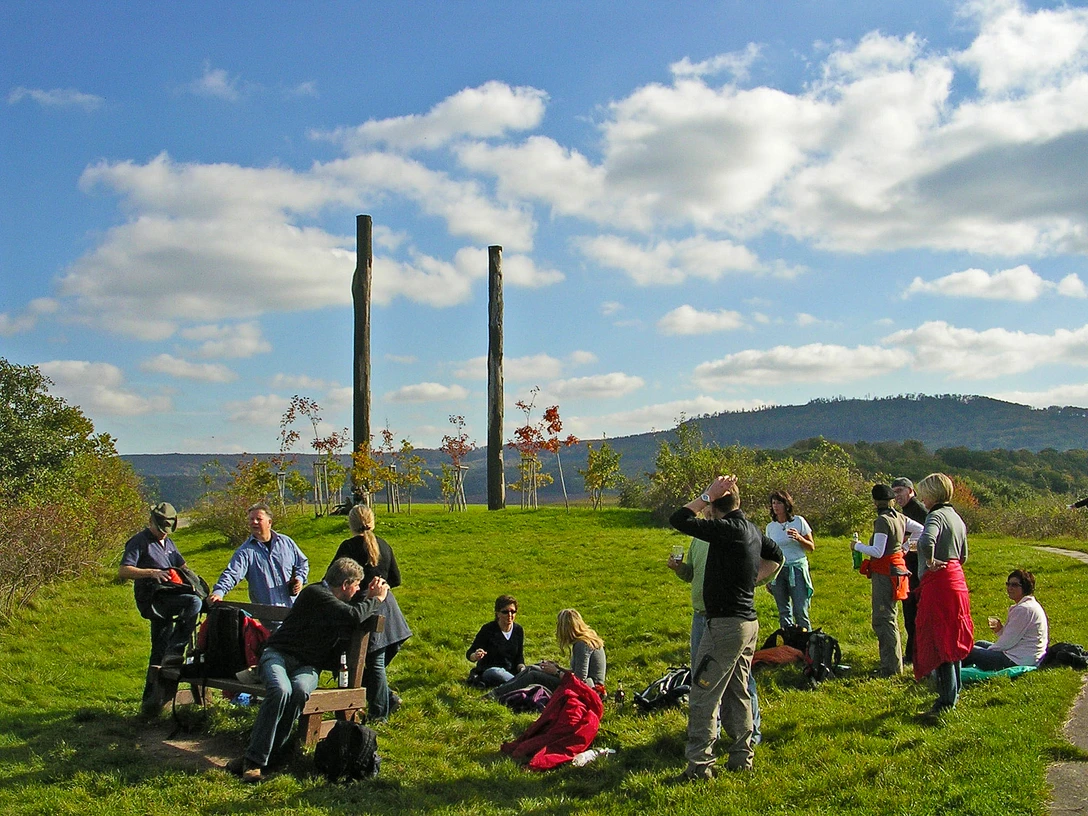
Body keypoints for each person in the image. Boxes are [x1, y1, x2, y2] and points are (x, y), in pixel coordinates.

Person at [226, 557, 388, 782]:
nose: (358, 590)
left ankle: (271, 756)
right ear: (344, 585)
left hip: (307, 666)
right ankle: (254, 761)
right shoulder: (315, 594)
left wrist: (368, 597)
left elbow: (352, 613)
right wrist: (377, 599)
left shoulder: (335, 603)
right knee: (281, 690)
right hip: (278, 655)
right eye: (356, 585)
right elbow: (352, 616)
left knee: (300, 690)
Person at [669, 475, 785, 780]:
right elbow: (776, 555)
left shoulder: (726, 530)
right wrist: (752, 580)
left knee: (704, 693)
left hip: (724, 626)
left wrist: (705, 495)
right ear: (739, 502)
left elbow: (679, 518)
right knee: (737, 691)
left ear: (714, 506)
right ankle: (742, 757)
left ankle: (699, 765)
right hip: (748, 622)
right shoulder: (751, 529)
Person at [668, 536, 773, 744]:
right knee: (702, 677)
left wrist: (750, 583)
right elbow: (692, 574)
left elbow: (775, 559)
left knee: (739, 677)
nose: (706, 508)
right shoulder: (699, 538)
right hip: (700, 616)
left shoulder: (735, 534)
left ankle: (751, 733)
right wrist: (679, 568)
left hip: (728, 618)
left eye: (710, 503)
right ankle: (710, 733)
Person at [118, 502, 203, 717]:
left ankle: (150, 704)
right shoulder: (139, 542)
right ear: (151, 523)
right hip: (153, 598)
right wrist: (151, 573)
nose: (163, 534)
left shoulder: (169, 543)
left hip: (171, 594)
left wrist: (196, 583)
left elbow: (182, 566)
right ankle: (176, 650)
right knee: (193, 604)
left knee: (159, 647)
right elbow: (124, 570)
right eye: (160, 529)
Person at [331, 504, 412, 721]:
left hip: (364, 607)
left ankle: (379, 714)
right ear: (372, 522)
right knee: (374, 663)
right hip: (388, 607)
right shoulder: (383, 545)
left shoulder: (348, 547)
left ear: (351, 524)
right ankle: (387, 700)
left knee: (369, 663)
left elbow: (333, 577)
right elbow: (396, 579)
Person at [913, 473, 973, 719]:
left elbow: (927, 541)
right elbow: (964, 555)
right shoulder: (957, 518)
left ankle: (946, 701)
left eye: (924, 493)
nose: (922, 498)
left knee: (940, 639)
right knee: (953, 637)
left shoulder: (935, 516)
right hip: (957, 580)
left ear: (932, 494)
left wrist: (929, 559)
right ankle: (954, 693)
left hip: (939, 583)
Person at [853, 484, 922, 677]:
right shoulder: (900, 517)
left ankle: (890, 668)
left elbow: (878, 551)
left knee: (884, 619)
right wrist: (905, 547)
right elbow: (921, 530)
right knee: (890, 617)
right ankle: (894, 662)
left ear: (875, 502)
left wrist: (857, 546)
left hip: (885, 573)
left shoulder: (883, 521)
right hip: (897, 570)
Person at [209, 503, 308, 609]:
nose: (254, 522)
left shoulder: (286, 543)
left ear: (269, 522)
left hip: (295, 610)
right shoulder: (245, 552)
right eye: (251, 519)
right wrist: (219, 592)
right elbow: (232, 574)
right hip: (268, 614)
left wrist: (299, 579)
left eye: (258, 519)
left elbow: (302, 563)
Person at [490, 609, 606, 698]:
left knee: (533, 675)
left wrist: (556, 672)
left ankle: (495, 695)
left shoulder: (582, 644)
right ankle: (499, 691)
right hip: (583, 685)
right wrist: (557, 667)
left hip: (589, 690)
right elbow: (578, 673)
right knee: (532, 668)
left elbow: (579, 680)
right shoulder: (584, 641)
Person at [965, 569, 1049, 670]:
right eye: (1008, 584)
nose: (1009, 588)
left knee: (969, 651)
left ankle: (955, 675)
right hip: (1026, 654)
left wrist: (989, 652)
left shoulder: (1024, 609)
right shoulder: (1029, 605)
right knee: (979, 644)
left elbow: (1007, 642)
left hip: (1019, 660)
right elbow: (1016, 636)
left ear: (1025, 587)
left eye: (1014, 585)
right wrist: (1000, 630)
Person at [764, 490, 815, 631]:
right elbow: (768, 554)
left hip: (796, 569)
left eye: (779, 503)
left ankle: (806, 644)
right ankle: (788, 643)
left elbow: (811, 547)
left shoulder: (798, 521)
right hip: (778, 571)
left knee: (800, 610)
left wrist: (799, 538)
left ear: (787, 505)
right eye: (773, 503)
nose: (775, 506)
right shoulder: (770, 527)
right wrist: (768, 578)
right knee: (784, 611)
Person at [891, 477, 928, 665]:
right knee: (910, 616)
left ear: (911, 491)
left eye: (900, 491)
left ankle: (916, 655)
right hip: (909, 569)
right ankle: (913, 654)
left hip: (917, 571)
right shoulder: (905, 511)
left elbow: (924, 539)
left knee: (914, 616)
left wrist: (904, 546)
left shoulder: (918, 511)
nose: (897, 496)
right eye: (894, 492)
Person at [466, 595, 526, 688]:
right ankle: (520, 684)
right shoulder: (488, 630)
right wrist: (476, 656)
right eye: (505, 612)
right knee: (496, 672)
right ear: (497, 613)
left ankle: (517, 682)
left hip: (511, 671)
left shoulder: (518, 630)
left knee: (534, 669)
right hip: (491, 671)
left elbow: (519, 657)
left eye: (513, 612)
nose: (510, 615)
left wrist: (522, 668)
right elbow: (470, 653)